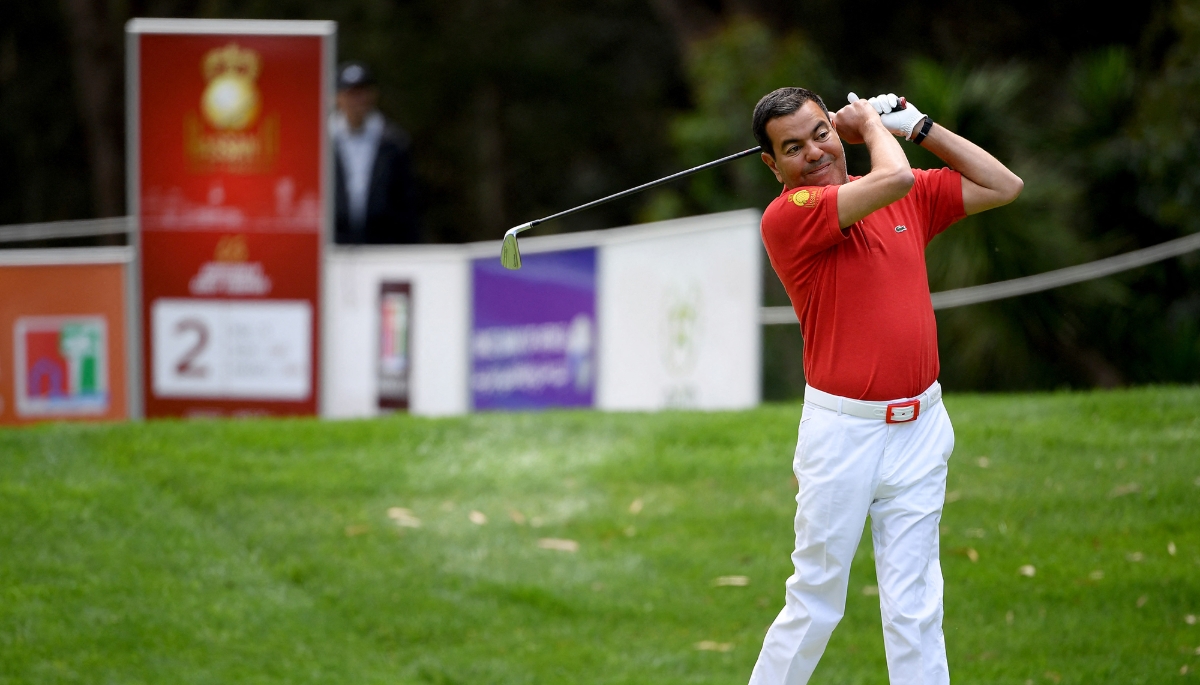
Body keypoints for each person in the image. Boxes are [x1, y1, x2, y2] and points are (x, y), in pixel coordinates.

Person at [748, 88, 1023, 685]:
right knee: (816, 602)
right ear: (773, 166)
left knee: (916, 608)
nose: (814, 152)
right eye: (792, 147)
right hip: (843, 435)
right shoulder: (789, 213)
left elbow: (1005, 186)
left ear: (834, 127)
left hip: (921, 427)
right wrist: (874, 126)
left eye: (820, 132)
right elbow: (893, 179)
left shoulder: (906, 191)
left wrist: (918, 124)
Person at [331, 62, 421, 244]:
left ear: (373, 95)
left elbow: (408, 204)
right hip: (335, 244)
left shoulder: (394, 142)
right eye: (350, 94)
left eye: (362, 93)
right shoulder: (323, 142)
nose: (357, 101)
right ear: (337, 98)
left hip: (382, 245)